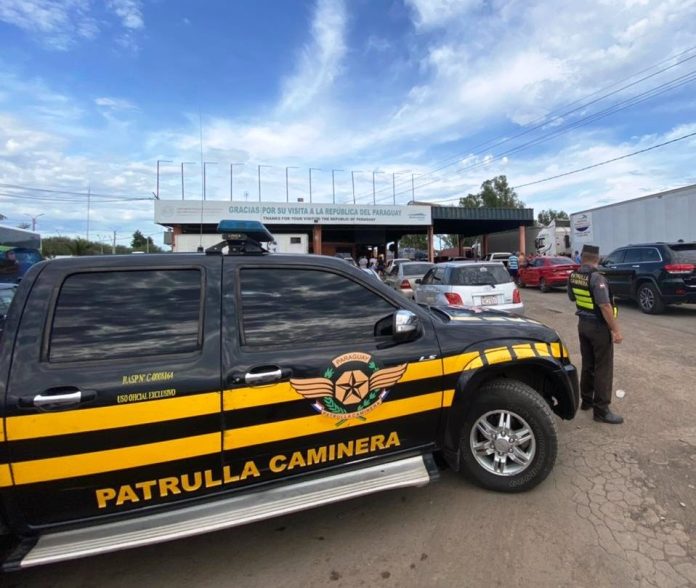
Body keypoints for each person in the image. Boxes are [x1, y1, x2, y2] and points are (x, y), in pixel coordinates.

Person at [568, 244, 624, 424]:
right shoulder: (597, 278)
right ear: (597, 259)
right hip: (598, 328)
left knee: (588, 364)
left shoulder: (574, 276)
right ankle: (601, 411)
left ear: (582, 258)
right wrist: (615, 330)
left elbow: (572, 297)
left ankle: (587, 401)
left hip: (583, 325)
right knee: (603, 368)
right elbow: (605, 306)